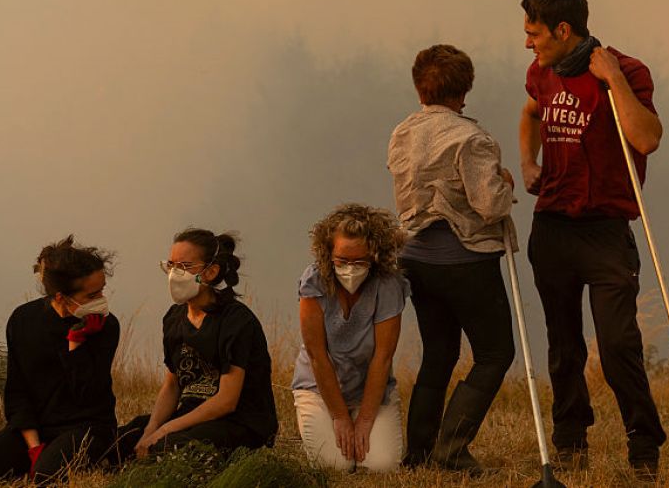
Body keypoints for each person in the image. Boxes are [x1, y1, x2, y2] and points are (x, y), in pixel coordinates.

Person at [518, 0, 666, 481]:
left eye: (534, 32)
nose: (527, 42)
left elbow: (645, 138)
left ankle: (644, 446)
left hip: (606, 227)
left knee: (618, 342)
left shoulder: (626, 70)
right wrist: (528, 159)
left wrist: (612, 81)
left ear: (564, 29)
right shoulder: (541, 71)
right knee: (563, 345)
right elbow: (531, 112)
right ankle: (570, 442)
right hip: (553, 225)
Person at [387, 44, 516, 473]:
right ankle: (453, 449)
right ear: (463, 92)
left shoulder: (402, 132)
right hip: (466, 261)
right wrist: (504, 182)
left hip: (417, 258)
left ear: (420, 88)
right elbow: (490, 207)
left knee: (438, 353)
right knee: (495, 354)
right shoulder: (472, 139)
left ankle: (419, 452)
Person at [0, 236, 119, 485]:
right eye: (92, 295)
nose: (100, 300)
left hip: (88, 427)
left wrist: (76, 344)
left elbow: (90, 396)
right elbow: (18, 392)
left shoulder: (106, 326)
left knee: (45, 476)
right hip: (36, 427)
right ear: (61, 297)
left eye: (102, 290)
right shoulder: (23, 320)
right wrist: (33, 446)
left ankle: (100, 458)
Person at [117, 229, 277, 460]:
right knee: (120, 440)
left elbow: (226, 401)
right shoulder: (174, 318)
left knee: (166, 449)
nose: (174, 274)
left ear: (211, 271)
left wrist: (165, 430)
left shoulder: (236, 320)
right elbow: (172, 385)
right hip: (191, 414)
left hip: (236, 422)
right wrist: (150, 429)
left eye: (184, 266)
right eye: (171, 265)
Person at [291, 204, 409, 473]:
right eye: (342, 261)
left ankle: (362, 425)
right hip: (319, 388)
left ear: (375, 257)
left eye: (360, 261)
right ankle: (317, 426)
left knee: (381, 466)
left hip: (370, 388)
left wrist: (366, 420)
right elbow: (317, 356)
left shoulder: (388, 285)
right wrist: (341, 418)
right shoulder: (314, 281)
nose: (350, 269)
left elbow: (383, 357)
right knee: (334, 466)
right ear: (328, 254)